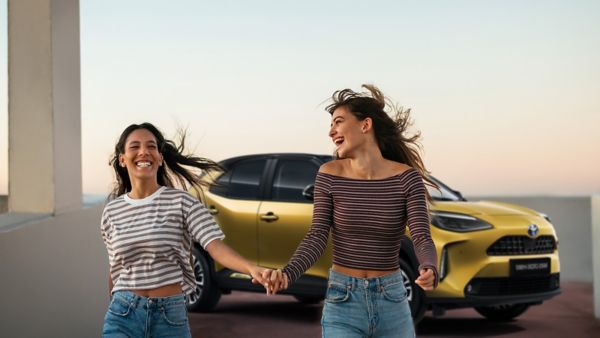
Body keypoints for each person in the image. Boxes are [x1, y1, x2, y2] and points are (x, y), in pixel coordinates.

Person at [266, 85, 439, 337]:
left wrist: (429, 266)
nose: (331, 131)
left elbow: (422, 235)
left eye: (338, 121)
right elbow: (316, 236)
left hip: (392, 299)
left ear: (365, 125)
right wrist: (288, 273)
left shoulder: (406, 178)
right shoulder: (329, 174)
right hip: (343, 300)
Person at [100, 122, 272, 338]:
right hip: (122, 314)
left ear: (160, 158)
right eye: (134, 146)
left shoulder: (182, 202)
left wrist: (251, 268)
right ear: (122, 159)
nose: (144, 151)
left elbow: (215, 247)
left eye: (151, 146)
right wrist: (113, 305)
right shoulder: (112, 211)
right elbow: (115, 268)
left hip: (168, 316)